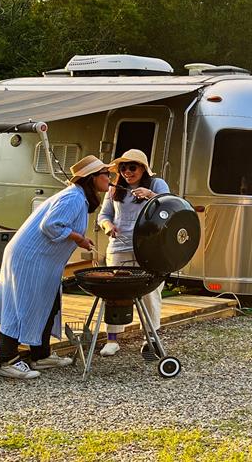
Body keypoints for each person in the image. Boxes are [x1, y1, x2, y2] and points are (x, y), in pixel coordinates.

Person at [0, 155, 111, 379]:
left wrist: (77, 238)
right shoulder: (73, 197)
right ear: (92, 178)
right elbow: (50, 226)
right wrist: (78, 238)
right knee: (20, 305)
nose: (110, 179)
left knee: (49, 303)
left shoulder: (78, 197)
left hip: (42, 259)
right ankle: (6, 361)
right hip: (29, 257)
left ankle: (41, 355)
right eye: (106, 174)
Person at [97, 148, 169, 356]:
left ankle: (151, 338)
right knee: (115, 292)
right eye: (123, 168)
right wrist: (108, 226)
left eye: (132, 167)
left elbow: (172, 207)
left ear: (143, 169)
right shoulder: (115, 189)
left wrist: (151, 196)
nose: (127, 172)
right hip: (119, 246)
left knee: (150, 292)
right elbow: (104, 215)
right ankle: (112, 339)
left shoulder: (156, 184)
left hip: (148, 246)